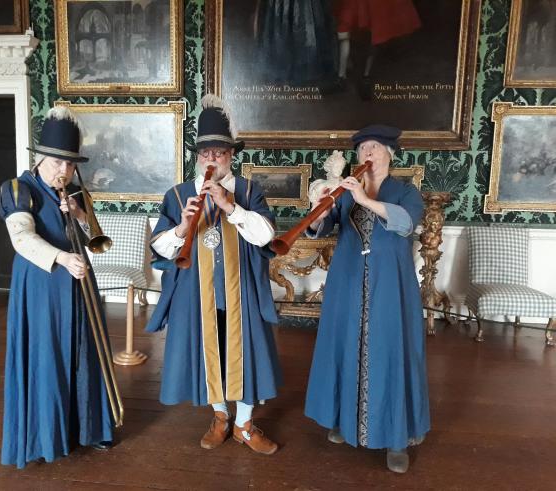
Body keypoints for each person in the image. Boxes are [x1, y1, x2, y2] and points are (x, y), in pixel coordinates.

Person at [146, 94, 282, 455]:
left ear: (231, 156)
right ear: (197, 158)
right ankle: (221, 417)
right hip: (198, 297)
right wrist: (181, 228)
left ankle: (244, 425)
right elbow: (159, 248)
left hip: (243, 294)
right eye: (205, 154)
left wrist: (230, 206)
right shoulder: (177, 196)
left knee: (247, 356)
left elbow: (266, 236)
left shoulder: (249, 192)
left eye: (219, 153)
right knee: (211, 354)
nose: (211, 159)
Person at [304, 124, 429, 473]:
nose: (367, 153)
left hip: (391, 284)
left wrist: (364, 199)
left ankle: (396, 438)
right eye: (362, 149)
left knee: (391, 351)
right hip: (347, 281)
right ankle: (345, 422)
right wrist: (321, 211)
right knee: (345, 345)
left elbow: (405, 224)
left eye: (375, 147)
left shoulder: (405, 192)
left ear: (391, 153)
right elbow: (321, 229)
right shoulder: (344, 192)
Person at [0, 107, 114, 469]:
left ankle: (91, 429)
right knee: (47, 356)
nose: (63, 171)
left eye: (70, 164)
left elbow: (96, 240)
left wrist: (79, 214)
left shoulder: (77, 189)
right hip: (42, 285)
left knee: (84, 351)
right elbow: (22, 238)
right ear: (40, 157)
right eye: (56, 162)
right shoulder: (17, 188)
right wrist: (62, 259)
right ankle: (47, 436)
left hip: (79, 283)